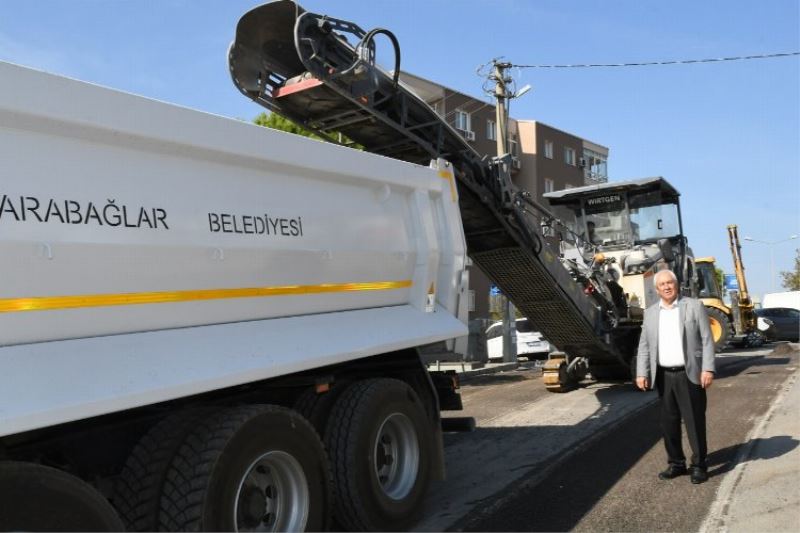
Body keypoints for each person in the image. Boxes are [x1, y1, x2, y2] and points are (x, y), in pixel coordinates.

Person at [635, 269, 716, 484]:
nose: (667, 286)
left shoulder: (693, 306)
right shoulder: (650, 313)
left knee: (694, 421)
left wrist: (707, 369)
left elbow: (707, 340)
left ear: (677, 284)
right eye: (662, 284)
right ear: (657, 289)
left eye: (670, 282)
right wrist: (642, 372)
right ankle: (676, 463)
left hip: (689, 374)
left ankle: (699, 465)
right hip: (663, 376)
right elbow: (644, 345)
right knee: (668, 423)